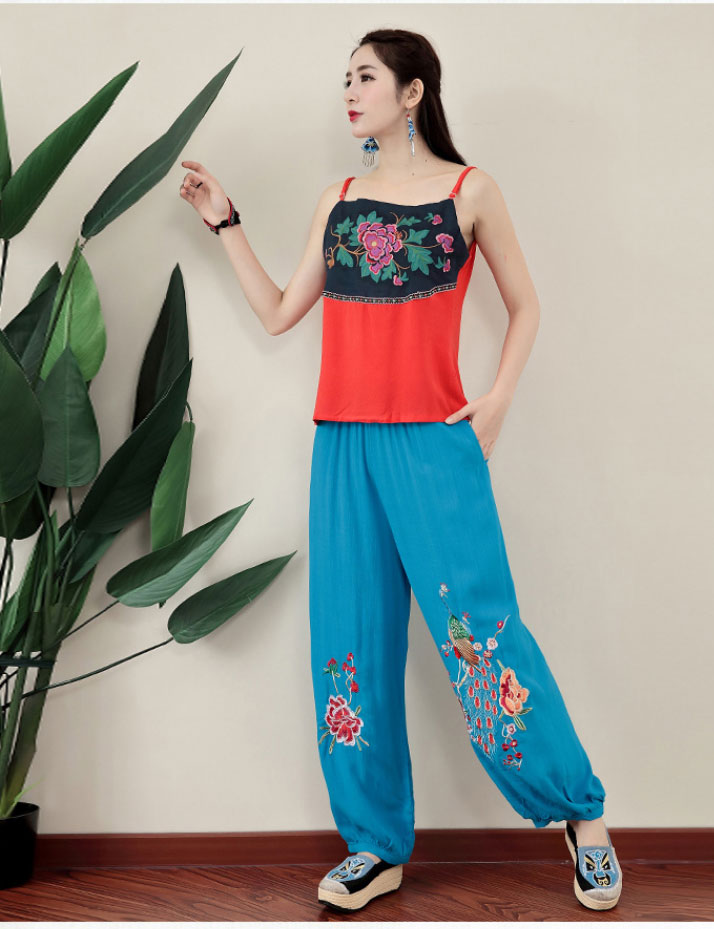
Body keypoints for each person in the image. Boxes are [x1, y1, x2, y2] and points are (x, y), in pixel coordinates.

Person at [179, 26, 622, 916]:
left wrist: (497, 399)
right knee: (350, 640)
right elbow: (279, 313)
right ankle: (375, 845)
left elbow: (527, 306)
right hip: (343, 445)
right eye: (345, 79)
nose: (349, 92)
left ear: (413, 91)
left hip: (433, 442)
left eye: (366, 77)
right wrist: (226, 224)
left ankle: (583, 816)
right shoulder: (339, 200)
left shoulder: (470, 191)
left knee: (481, 635)